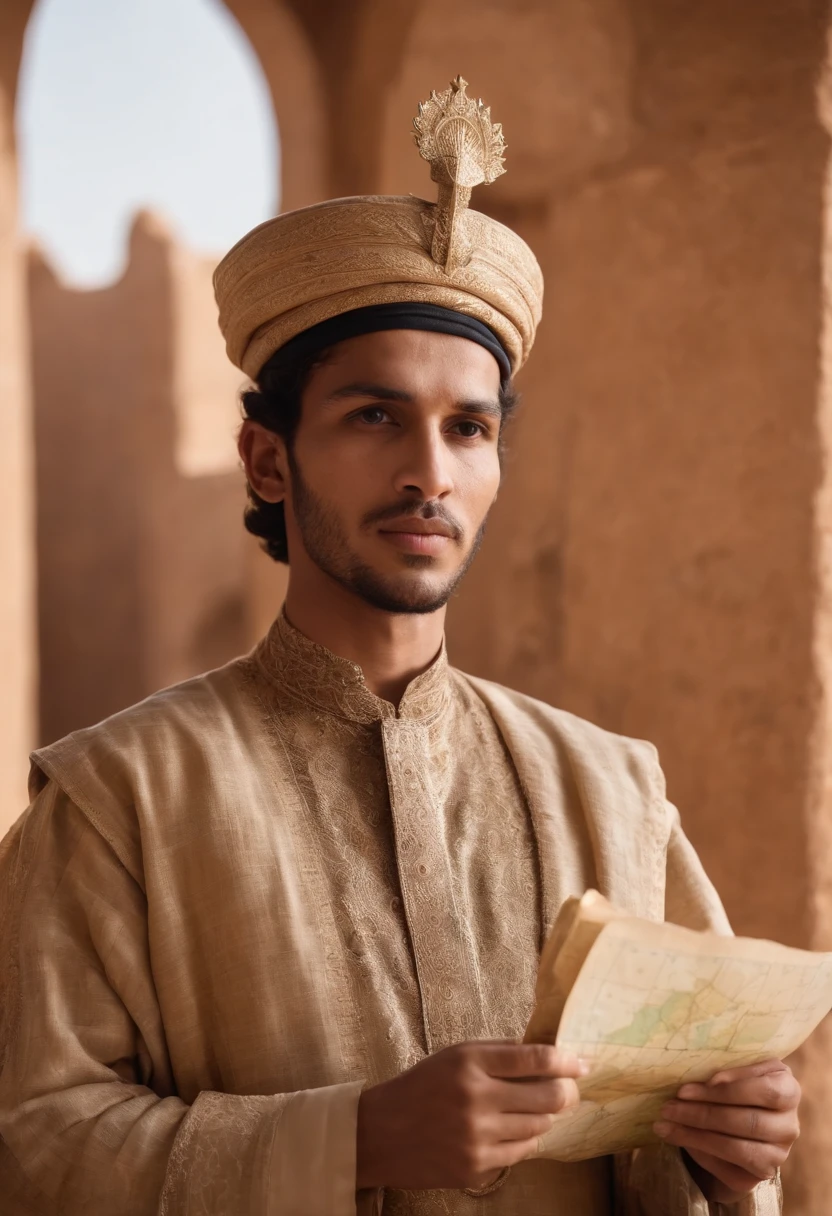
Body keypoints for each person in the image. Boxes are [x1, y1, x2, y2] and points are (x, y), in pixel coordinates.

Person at [0, 78, 798, 1215]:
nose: (429, 470)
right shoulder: (115, 798)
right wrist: (358, 1136)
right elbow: (35, 1146)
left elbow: (697, 1142)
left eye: (467, 426)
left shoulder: (613, 791)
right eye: (375, 416)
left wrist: (729, 1158)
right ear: (269, 461)